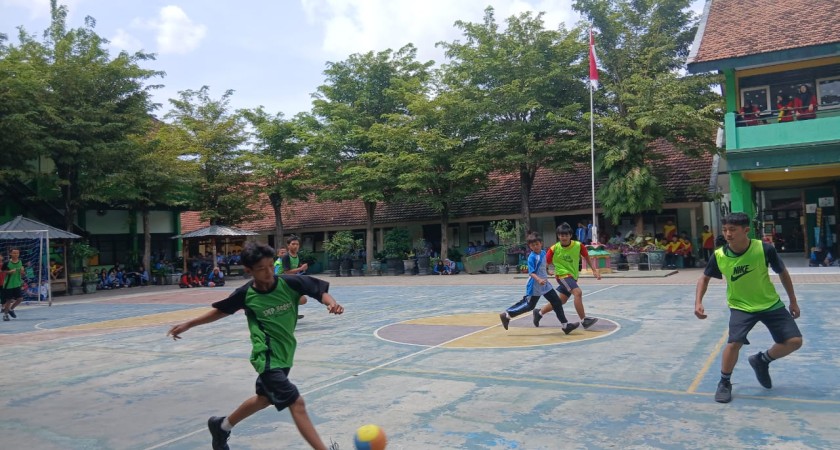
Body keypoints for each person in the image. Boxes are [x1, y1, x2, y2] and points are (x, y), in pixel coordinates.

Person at [167, 241, 344, 450]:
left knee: (263, 399)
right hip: (266, 356)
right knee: (296, 403)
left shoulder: (289, 283)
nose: (269, 272)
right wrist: (189, 324)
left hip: (285, 353)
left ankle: (221, 427)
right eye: (261, 269)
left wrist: (330, 303)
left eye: (271, 266)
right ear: (249, 270)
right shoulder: (246, 294)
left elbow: (318, 290)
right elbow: (221, 311)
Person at [694, 212, 802, 404]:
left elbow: (783, 273)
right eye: (725, 229)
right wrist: (698, 302)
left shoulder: (764, 249)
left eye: (733, 230)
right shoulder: (719, 255)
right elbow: (704, 278)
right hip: (740, 306)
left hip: (770, 303)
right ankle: (724, 382)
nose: (728, 234)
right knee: (734, 343)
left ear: (746, 230)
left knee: (794, 341)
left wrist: (793, 301)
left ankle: (761, 360)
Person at [499, 232, 579, 334]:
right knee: (529, 305)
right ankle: (507, 314)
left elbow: (543, 264)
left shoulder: (543, 253)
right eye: (533, 245)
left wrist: (547, 271)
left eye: (537, 244)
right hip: (535, 285)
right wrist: (539, 280)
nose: (535, 247)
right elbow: (531, 272)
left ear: (541, 243)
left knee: (557, 302)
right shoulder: (531, 257)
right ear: (530, 247)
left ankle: (565, 325)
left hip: (545, 284)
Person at [533, 223, 601, 329]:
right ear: (558, 236)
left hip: (572, 276)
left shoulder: (578, 245)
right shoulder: (554, 248)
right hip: (562, 275)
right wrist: (543, 273)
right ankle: (584, 320)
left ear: (570, 235)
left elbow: (586, 256)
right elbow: (544, 262)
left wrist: (594, 270)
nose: (563, 237)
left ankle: (539, 313)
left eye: (565, 235)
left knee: (561, 301)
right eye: (561, 235)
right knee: (578, 293)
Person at [282, 235, 308, 319]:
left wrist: (302, 267)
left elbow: (296, 267)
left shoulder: (297, 256)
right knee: (300, 299)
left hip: (293, 281)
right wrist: (300, 268)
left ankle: (291, 313)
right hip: (284, 282)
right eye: (293, 244)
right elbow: (287, 272)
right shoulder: (286, 256)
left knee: (302, 300)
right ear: (288, 245)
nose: (295, 246)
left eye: (297, 244)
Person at [2, 248, 26, 321]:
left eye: (17, 253)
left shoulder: (21, 262)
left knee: (20, 299)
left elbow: (22, 274)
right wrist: (9, 272)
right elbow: (2, 271)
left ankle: (11, 309)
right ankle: (5, 315)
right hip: (8, 284)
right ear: (10, 254)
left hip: (17, 283)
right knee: (8, 300)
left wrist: (22, 272)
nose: (16, 254)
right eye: (14, 253)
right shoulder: (7, 263)